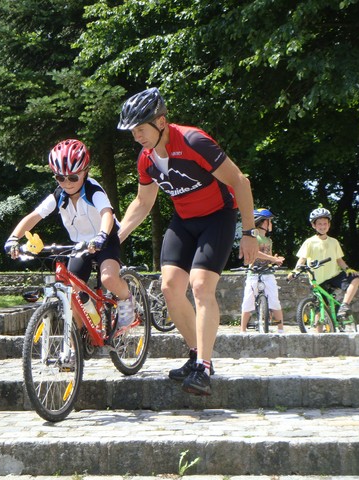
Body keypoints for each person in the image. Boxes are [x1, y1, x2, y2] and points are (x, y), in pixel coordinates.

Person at [116, 87, 258, 396]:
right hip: (184, 221)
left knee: (201, 286)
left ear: (161, 122)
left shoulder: (194, 141)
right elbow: (142, 203)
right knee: (169, 287)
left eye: (141, 129)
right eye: (132, 131)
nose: (137, 136)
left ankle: (204, 368)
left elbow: (240, 181)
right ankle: (196, 355)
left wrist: (249, 233)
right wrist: (114, 238)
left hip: (217, 217)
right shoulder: (146, 160)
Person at [4, 139, 134, 328]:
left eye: (73, 177)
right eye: (60, 178)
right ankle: (78, 340)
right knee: (72, 293)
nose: (67, 183)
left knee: (108, 279)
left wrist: (102, 236)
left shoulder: (93, 191)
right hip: (80, 245)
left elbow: (106, 213)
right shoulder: (59, 195)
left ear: (85, 171)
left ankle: (127, 300)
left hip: (105, 240)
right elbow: (34, 216)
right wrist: (14, 238)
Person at [288, 207, 359, 322]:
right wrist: (295, 271)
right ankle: (318, 332)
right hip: (318, 280)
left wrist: (347, 269)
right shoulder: (309, 242)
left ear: (329, 224)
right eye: (319, 224)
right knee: (319, 310)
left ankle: (344, 305)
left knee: (355, 278)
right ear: (314, 225)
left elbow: (339, 259)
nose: (322, 226)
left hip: (334, 276)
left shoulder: (334, 242)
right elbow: (302, 259)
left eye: (325, 223)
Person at [240, 208, 285, 334]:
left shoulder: (269, 240)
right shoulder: (253, 238)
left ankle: (281, 329)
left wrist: (275, 260)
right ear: (264, 222)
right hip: (253, 273)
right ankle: (242, 330)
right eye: (270, 221)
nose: (271, 224)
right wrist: (272, 258)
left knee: (275, 301)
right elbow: (255, 253)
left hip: (267, 273)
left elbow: (268, 257)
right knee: (248, 301)